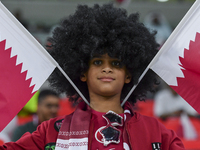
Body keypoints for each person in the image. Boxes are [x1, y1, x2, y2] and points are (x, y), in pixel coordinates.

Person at [0, 3, 185, 149]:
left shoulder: (157, 132)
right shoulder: (50, 131)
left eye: (116, 63)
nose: (107, 69)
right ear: (82, 73)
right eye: (97, 62)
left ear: (129, 75)